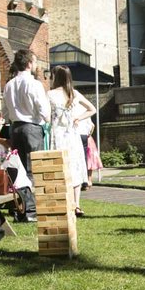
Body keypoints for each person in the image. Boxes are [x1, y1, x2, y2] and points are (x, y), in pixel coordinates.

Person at [48, 65, 95, 217]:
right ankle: (77, 205)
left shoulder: (50, 94)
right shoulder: (74, 93)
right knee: (74, 168)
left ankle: (64, 203)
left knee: (60, 168)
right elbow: (92, 109)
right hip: (72, 135)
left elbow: (45, 115)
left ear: (56, 77)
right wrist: (78, 118)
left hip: (58, 135)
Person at [3, 49, 50, 177]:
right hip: (32, 128)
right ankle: (33, 195)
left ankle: (23, 196)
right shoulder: (34, 84)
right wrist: (48, 121)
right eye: (34, 62)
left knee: (20, 170)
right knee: (35, 168)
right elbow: (43, 109)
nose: (36, 65)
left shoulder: (9, 85)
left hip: (15, 128)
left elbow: (5, 111)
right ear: (29, 64)